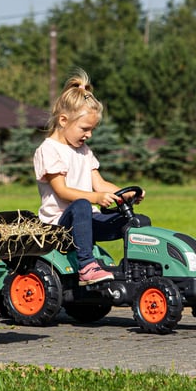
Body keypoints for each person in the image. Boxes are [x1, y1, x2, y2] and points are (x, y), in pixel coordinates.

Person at [34, 70, 141, 286]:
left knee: (135, 222)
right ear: (63, 120)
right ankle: (86, 267)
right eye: (85, 129)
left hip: (86, 219)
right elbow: (62, 191)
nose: (89, 135)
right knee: (82, 204)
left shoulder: (83, 150)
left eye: (92, 129)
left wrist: (126, 193)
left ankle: (136, 270)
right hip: (58, 225)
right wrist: (96, 198)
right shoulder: (49, 150)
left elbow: (99, 183)